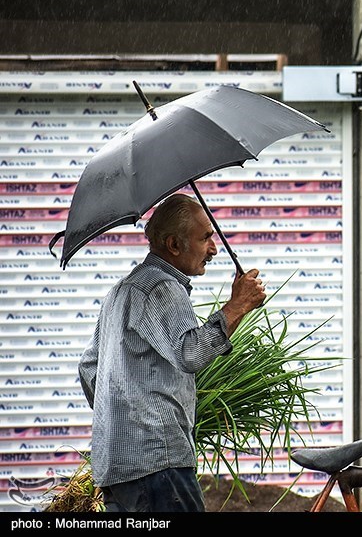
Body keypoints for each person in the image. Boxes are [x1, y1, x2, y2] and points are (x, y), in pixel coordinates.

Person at [78, 193, 266, 512]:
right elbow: (190, 353)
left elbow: (88, 369)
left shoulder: (120, 292)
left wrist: (124, 419)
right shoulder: (162, 287)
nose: (214, 249)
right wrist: (238, 306)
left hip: (116, 468)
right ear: (174, 245)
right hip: (158, 466)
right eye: (205, 237)